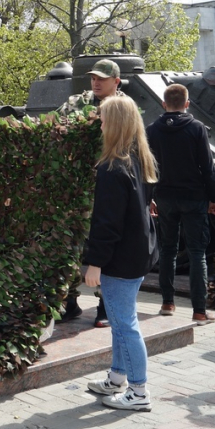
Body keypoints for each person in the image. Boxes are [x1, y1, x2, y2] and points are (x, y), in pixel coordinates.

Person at [84, 94, 158, 411]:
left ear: (113, 124)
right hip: (138, 253)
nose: (99, 124)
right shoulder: (140, 159)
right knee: (120, 321)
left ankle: (139, 392)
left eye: (102, 119)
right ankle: (117, 378)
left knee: (125, 324)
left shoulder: (113, 168)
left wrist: (94, 263)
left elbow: (106, 224)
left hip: (121, 257)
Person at [145, 84, 215, 325]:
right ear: (187, 104)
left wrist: (149, 198)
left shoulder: (152, 130)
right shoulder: (196, 128)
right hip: (194, 197)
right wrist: (214, 198)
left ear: (163, 104)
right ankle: (199, 310)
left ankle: (167, 303)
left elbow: (148, 168)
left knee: (168, 250)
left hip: (165, 197)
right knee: (197, 252)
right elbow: (207, 167)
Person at [60, 58, 125, 327]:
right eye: (93, 78)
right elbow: (56, 129)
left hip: (108, 186)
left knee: (106, 243)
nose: (96, 82)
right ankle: (69, 301)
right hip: (77, 188)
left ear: (116, 81)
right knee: (70, 244)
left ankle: (104, 305)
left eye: (102, 78)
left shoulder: (124, 109)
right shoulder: (77, 103)